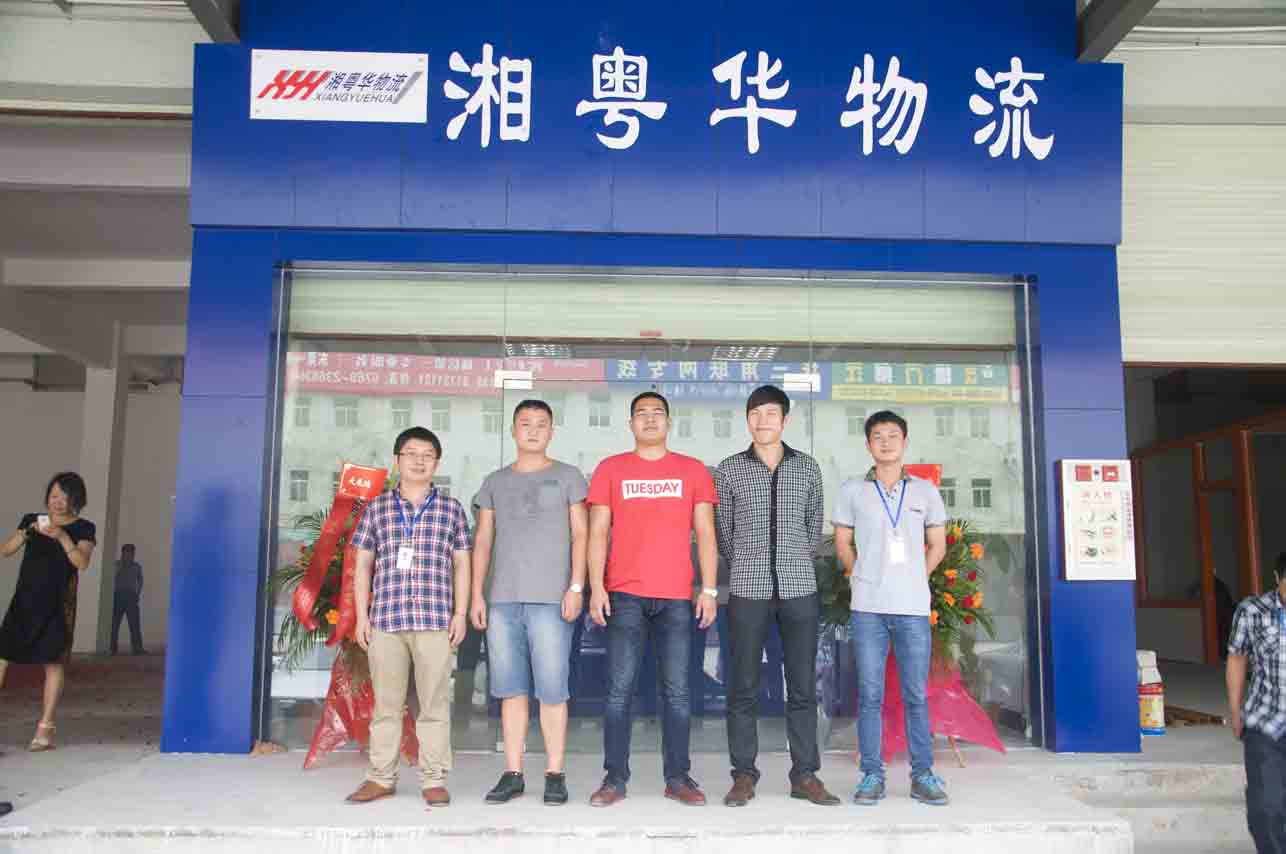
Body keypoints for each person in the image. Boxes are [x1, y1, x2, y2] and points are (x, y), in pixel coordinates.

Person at [586, 391, 718, 807]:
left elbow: (706, 533)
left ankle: (678, 778)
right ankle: (614, 779)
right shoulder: (611, 469)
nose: (649, 419)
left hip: (677, 596)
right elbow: (597, 532)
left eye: (657, 413)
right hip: (624, 595)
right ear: (630, 424)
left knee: (678, 692)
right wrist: (596, 587)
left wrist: (709, 589)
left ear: (669, 422)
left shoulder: (692, 470)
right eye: (640, 413)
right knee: (618, 691)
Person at [714, 385, 839, 807]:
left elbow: (813, 528)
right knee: (743, 686)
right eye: (755, 413)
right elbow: (724, 534)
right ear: (747, 420)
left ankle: (805, 775)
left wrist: (792, 560)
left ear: (785, 420)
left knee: (801, 685)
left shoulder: (807, 468)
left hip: (798, 588)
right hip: (747, 590)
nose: (762, 420)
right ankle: (743, 775)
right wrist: (748, 564)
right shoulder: (729, 470)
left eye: (771, 413)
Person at [344, 427, 471, 807]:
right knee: (386, 705)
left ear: (437, 463)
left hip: (434, 621)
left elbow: (462, 565)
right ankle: (380, 777)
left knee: (434, 705)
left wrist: (460, 613)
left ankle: (433, 779)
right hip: (386, 620)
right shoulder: (377, 508)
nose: (419, 460)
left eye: (427, 455)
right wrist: (362, 617)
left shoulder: (451, 509)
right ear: (397, 460)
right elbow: (362, 565)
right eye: (412, 453)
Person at [470, 400, 589, 806]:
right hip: (503, 600)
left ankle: (555, 773)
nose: (533, 430)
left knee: (553, 690)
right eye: (525, 423)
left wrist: (576, 586)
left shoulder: (569, 476)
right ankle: (513, 773)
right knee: (511, 690)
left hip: (552, 601)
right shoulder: (494, 482)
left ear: (552, 432)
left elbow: (581, 534)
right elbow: (482, 542)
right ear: (513, 431)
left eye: (541, 424)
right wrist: (477, 595)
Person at [833, 411, 949, 806]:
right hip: (868, 608)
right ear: (868, 445)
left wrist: (917, 576)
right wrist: (857, 574)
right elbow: (842, 542)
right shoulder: (852, 490)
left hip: (912, 608)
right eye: (878, 436)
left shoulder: (925, 491)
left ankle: (923, 775)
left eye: (893, 435)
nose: (885, 442)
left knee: (916, 695)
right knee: (870, 695)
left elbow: (938, 545)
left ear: (905, 442)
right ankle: (871, 775)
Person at [0, 472, 97, 752]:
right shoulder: (32, 520)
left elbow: (82, 562)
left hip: (57, 605)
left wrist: (62, 537)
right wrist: (25, 532)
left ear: (76, 501)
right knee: (2, 656)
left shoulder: (84, 528)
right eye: (54, 496)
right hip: (24, 601)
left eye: (65, 497)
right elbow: (6, 550)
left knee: (53, 663)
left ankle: (45, 728)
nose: (58, 502)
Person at [1227, 552, 1286, 853]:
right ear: (1277, 579)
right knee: (1266, 807)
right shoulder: (1252, 611)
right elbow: (1237, 658)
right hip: (1266, 720)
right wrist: (1235, 709)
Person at [110, 543, 145, 655]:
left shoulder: (137, 567)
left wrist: (137, 593)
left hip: (131, 597)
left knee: (135, 624)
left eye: (131, 553)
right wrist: (118, 568)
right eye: (126, 553)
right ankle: (112, 648)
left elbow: (140, 580)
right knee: (114, 624)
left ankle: (137, 648)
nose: (129, 556)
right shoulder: (116, 565)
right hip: (118, 596)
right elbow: (111, 578)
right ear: (122, 553)